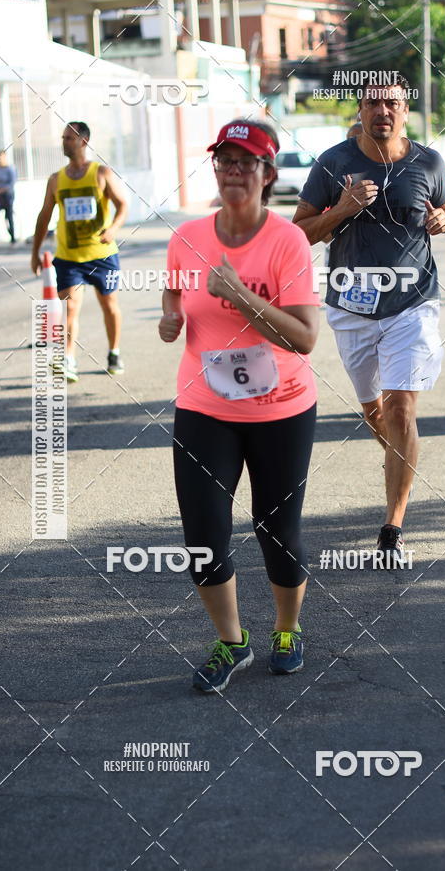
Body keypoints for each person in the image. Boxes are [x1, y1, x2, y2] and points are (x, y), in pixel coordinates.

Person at [159, 119, 319, 693]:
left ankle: (286, 628)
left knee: (278, 530)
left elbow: (303, 338)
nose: (234, 171)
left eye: (246, 162)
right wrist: (170, 318)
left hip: (282, 408)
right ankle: (233, 641)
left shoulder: (286, 241)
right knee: (202, 534)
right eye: (225, 160)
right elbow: (173, 293)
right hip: (205, 407)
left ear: (267, 174)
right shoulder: (188, 237)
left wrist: (240, 296)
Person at [293, 79, 445, 560]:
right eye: (373, 103)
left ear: (405, 112)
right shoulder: (333, 162)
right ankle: (400, 461)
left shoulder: (428, 161)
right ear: (360, 110)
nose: (382, 110)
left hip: (413, 303)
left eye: (392, 103)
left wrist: (444, 220)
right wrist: (342, 209)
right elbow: (299, 233)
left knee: (402, 407)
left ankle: (392, 525)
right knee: (375, 413)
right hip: (352, 307)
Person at [31, 122, 128, 381]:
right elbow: (44, 217)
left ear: (83, 141)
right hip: (69, 257)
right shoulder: (56, 180)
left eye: (69, 138)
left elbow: (122, 205)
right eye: (63, 137)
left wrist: (113, 229)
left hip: (102, 255)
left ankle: (114, 352)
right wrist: (35, 252)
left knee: (109, 305)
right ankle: (68, 359)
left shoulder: (101, 173)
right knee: (69, 308)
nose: (64, 142)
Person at [0, 150, 16, 244]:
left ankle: (13, 237)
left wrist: (0, 190)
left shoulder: (10, 169)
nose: (0, 159)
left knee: (8, 218)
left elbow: (11, 184)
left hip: (7, 197)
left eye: (2, 157)